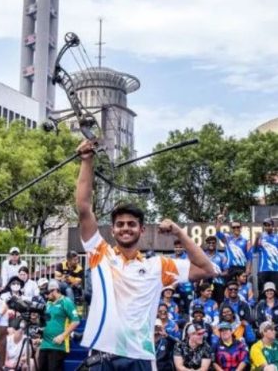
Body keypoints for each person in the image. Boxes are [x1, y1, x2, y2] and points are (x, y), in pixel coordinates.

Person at [76, 139, 216, 369]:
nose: (125, 228)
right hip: (102, 354)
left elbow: (206, 269)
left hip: (139, 356)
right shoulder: (99, 254)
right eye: (120, 224)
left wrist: (179, 232)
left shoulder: (158, 266)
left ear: (141, 229)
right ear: (112, 230)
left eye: (131, 224)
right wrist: (87, 160)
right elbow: (83, 207)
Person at [38, 279, 80, 371]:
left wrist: (62, 336)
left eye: (48, 292)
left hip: (58, 345)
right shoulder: (48, 303)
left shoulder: (66, 301)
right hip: (45, 344)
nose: (46, 295)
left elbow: (76, 321)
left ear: (55, 290)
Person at [254, 219, 278, 298]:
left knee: (276, 292)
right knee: (262, 292)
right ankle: (261, 309)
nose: (267, 227)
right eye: (265, 225)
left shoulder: (277, 237)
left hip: (276, 269)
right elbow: (255, 250)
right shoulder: (261, 238)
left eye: (269, 225)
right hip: (263, 269)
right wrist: (256, 239)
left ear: (273, 226)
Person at [172, 240, 195, 316]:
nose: (178, 249)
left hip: (187, 286)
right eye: (176, 247)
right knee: (175, 307)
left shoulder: (188, 258)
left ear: (184, 248)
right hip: (175, 287)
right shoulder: (171, 258)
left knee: (188, 308)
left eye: (180, 247)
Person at [204, 236, 227, 305]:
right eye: (209, 243)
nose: (211, 244)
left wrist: (219, 274)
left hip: (219, 284)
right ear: (206, 244)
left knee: (219, 304)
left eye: (213, 243)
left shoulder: (222, 256)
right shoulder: (202, 256)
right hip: (206, 284)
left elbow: (227, 271)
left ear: (216, 244)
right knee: (206, 303)